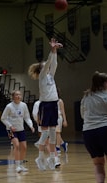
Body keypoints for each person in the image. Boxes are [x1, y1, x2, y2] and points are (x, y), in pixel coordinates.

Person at [28, 38, 63, 170]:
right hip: (46, 105)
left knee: (53, 131)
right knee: (45, 132)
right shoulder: (42, 76)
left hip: (54, 104)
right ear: (42, 69)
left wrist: (55, 52)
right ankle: (40, 156)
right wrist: (52, 49)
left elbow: (54, 64)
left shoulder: (50, 76)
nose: (47, 67)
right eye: (45, 66)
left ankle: (53, 157)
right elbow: (49, 62)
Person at [1, 90, 35, 173]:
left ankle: (21, 164)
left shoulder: (23, 105)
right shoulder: (9, 106)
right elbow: (3, 118)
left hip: (21, 129)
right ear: (13, 96)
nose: (18, 96)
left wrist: (31, 126)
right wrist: (10, 126)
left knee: (24, 147)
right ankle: (17, 166)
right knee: (16, 145)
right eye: (16, 95)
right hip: (12, 130)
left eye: (19, 94)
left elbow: (27, 117)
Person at [32, 99, 61, 168]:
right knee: (47, 142)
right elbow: (35, 115)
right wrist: (39, 123)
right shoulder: (38, 103)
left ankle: (54, 158)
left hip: (50, 124)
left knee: (50, 142)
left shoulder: (52, 102)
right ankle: (54, 158)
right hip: (43, 124)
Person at [55, 90, 68, 154]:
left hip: (58, 117)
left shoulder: (60, 101)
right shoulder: (51, 101)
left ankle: (57, 147)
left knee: (57, 132)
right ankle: (63, 143)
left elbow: (63, 111)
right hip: (53, 118)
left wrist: (65, 120)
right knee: (55, 133)